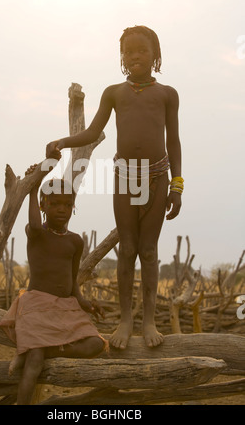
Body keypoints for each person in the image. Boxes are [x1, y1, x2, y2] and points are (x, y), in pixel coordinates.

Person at [46, 25, 183, 350]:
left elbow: (173, 140)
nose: (135, 56)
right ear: (122, 57)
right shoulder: (114, 93)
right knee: (127, 250)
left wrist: (177, 185)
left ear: (155, 55)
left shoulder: (167, 94)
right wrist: (63, 141)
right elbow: (93, 131)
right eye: (129, 51)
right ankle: (124, 320)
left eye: (142, 50)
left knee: (148, 252)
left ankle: (148, 320)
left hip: (157, 178)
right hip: (124, 177)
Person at [0, 166, 106, 405]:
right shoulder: (36, 233)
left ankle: (48, 349)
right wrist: (34, 185)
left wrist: (86, 304)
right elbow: (36, 226)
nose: (62, 209)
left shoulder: (75, 241)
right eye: (55, 204)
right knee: (34, 363)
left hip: (65, 307)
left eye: (67, 205)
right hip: (36, 305)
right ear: (42, 206)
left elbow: (72, 283)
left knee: (96, 343)